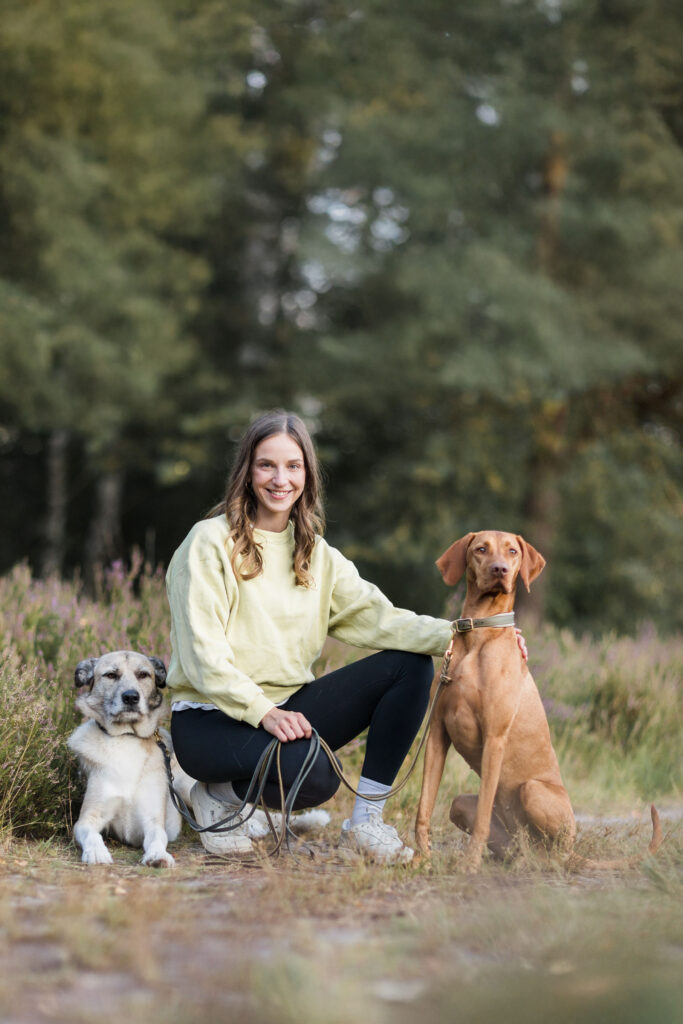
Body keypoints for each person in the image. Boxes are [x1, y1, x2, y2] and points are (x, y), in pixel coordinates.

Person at [166, 410, 526, 864]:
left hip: (284, 709)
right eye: (266, 465)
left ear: (307, 476)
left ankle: (366, 823)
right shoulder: (207, 543)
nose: (280, 479)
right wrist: (264, 712)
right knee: (316, 776)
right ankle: (218, 795)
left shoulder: (316, 554)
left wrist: (480, 635)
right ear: (247, 472)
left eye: (293, 466)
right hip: (211, 721)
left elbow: (381, 619)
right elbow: (203, 656)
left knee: (409, 664)